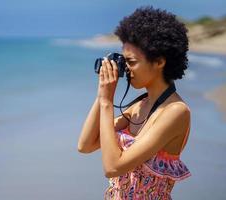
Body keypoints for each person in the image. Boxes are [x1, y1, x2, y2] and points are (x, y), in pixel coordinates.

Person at [78, 6, 191, 199]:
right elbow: (86, 145)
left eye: (131, 62)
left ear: (159, 61)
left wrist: (107, 102)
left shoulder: (176, 112)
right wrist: (102, 95)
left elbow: (113, 167)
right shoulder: (138, 106)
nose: (126, 69)